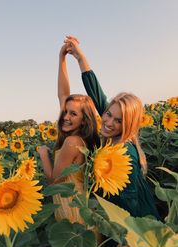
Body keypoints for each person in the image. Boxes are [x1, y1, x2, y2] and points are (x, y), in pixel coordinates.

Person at [63, 35, 160, 221]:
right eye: (108, 114)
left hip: (135, 222)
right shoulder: (112, 132)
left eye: (118, 120)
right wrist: (79, 56)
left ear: (128, 125)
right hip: (114, 212)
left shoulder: (126, 153)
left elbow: (129, 202)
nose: (108, 122)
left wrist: (125, 242)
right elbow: (96, 92)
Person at [38, 44, 101, 247]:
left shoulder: (73, 142)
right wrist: (62, 59)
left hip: (72, 212)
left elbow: (54, 180)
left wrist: (44, 154)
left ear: (84, 120)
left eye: (73, 114)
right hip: (77, 209)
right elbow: (63, 94)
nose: (65, 116)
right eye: (65, 111)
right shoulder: (79, 139)